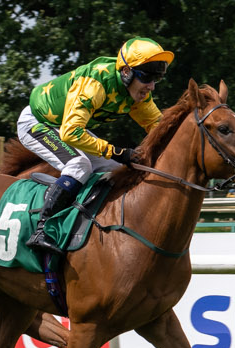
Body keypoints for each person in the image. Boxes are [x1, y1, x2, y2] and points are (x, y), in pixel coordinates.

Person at [16, 37, 172, 251]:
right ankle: (42, 229)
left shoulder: (138, 93)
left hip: (65, 125)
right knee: (79, 166)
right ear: (126, 72)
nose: (151, 86)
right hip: (37, 123)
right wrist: (115, 151)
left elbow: (159, 128)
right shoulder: (95, 84)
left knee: (115, 168)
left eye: (157, 78)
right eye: (146, 77)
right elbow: (71, 133)